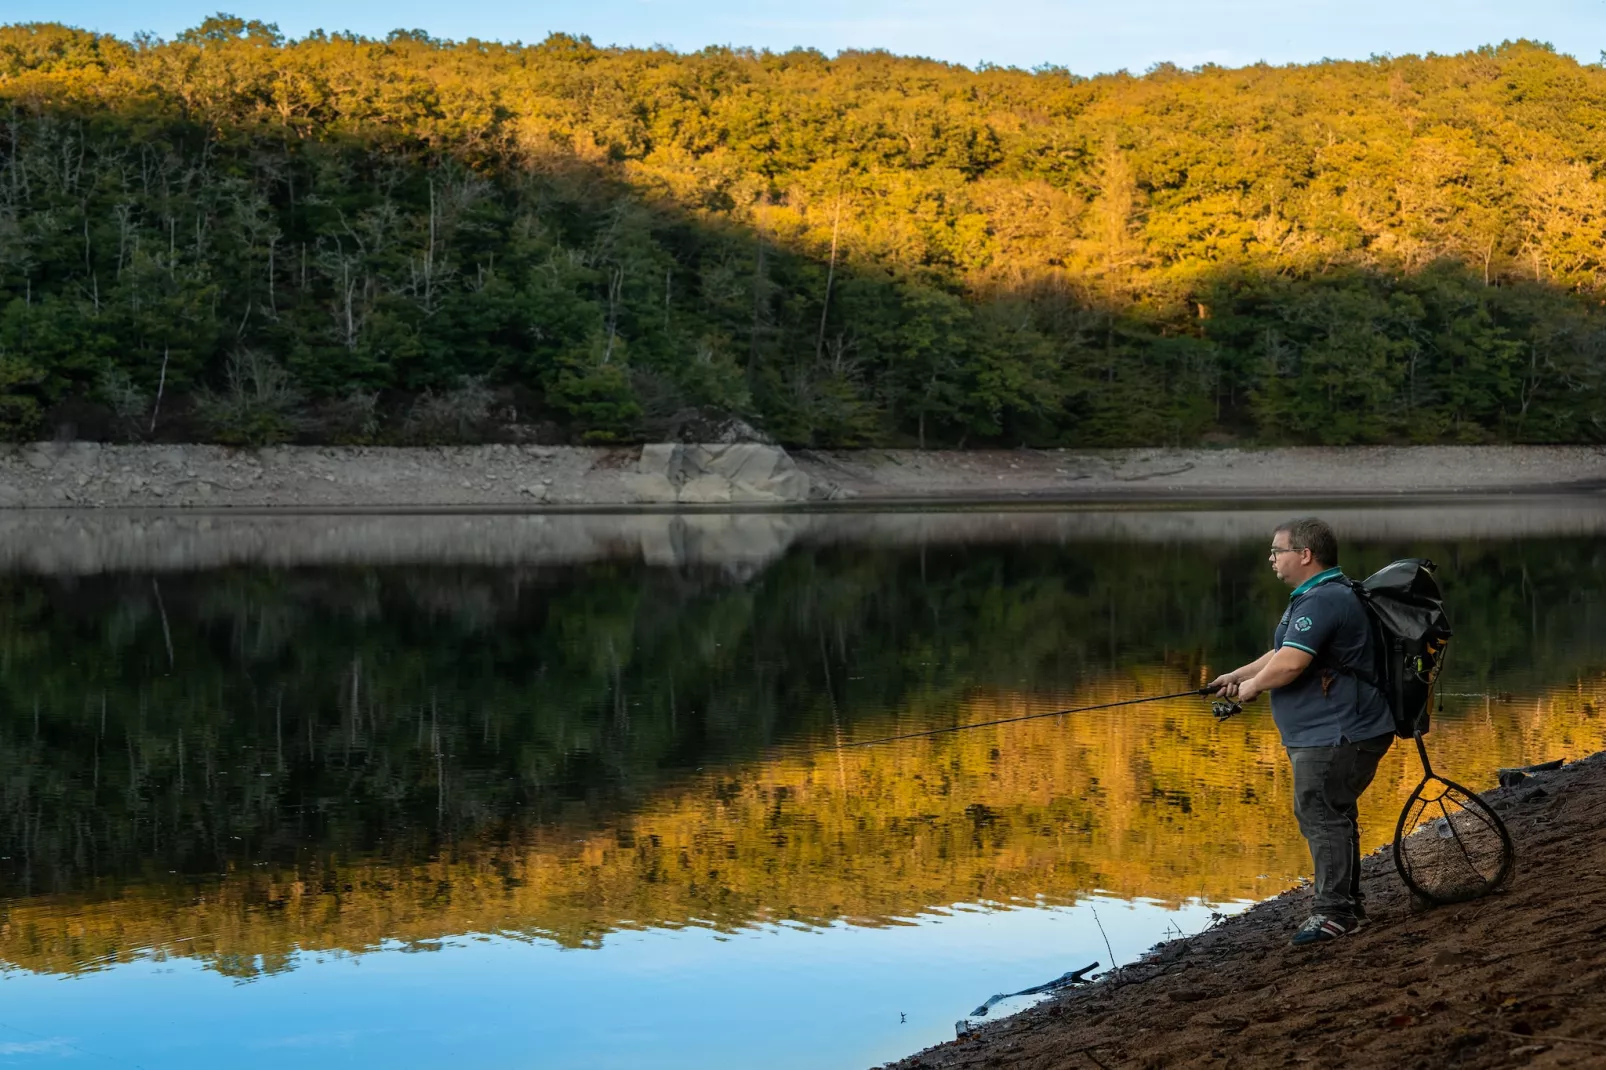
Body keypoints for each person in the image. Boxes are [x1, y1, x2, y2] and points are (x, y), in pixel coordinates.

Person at [1208, 516, 1395, 946]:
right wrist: (1236, 675)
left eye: (1278, 550)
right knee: (1333, 812)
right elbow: (1282, 651)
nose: (1272, 558)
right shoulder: (1316, 596)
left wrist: (1252, 689)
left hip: (1336, 734)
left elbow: (1292, 665)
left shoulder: (1323, 600)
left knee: (1320, 812)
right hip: (1330, 732)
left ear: (1305, 555)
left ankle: (1333, 914)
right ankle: (1346, 905)